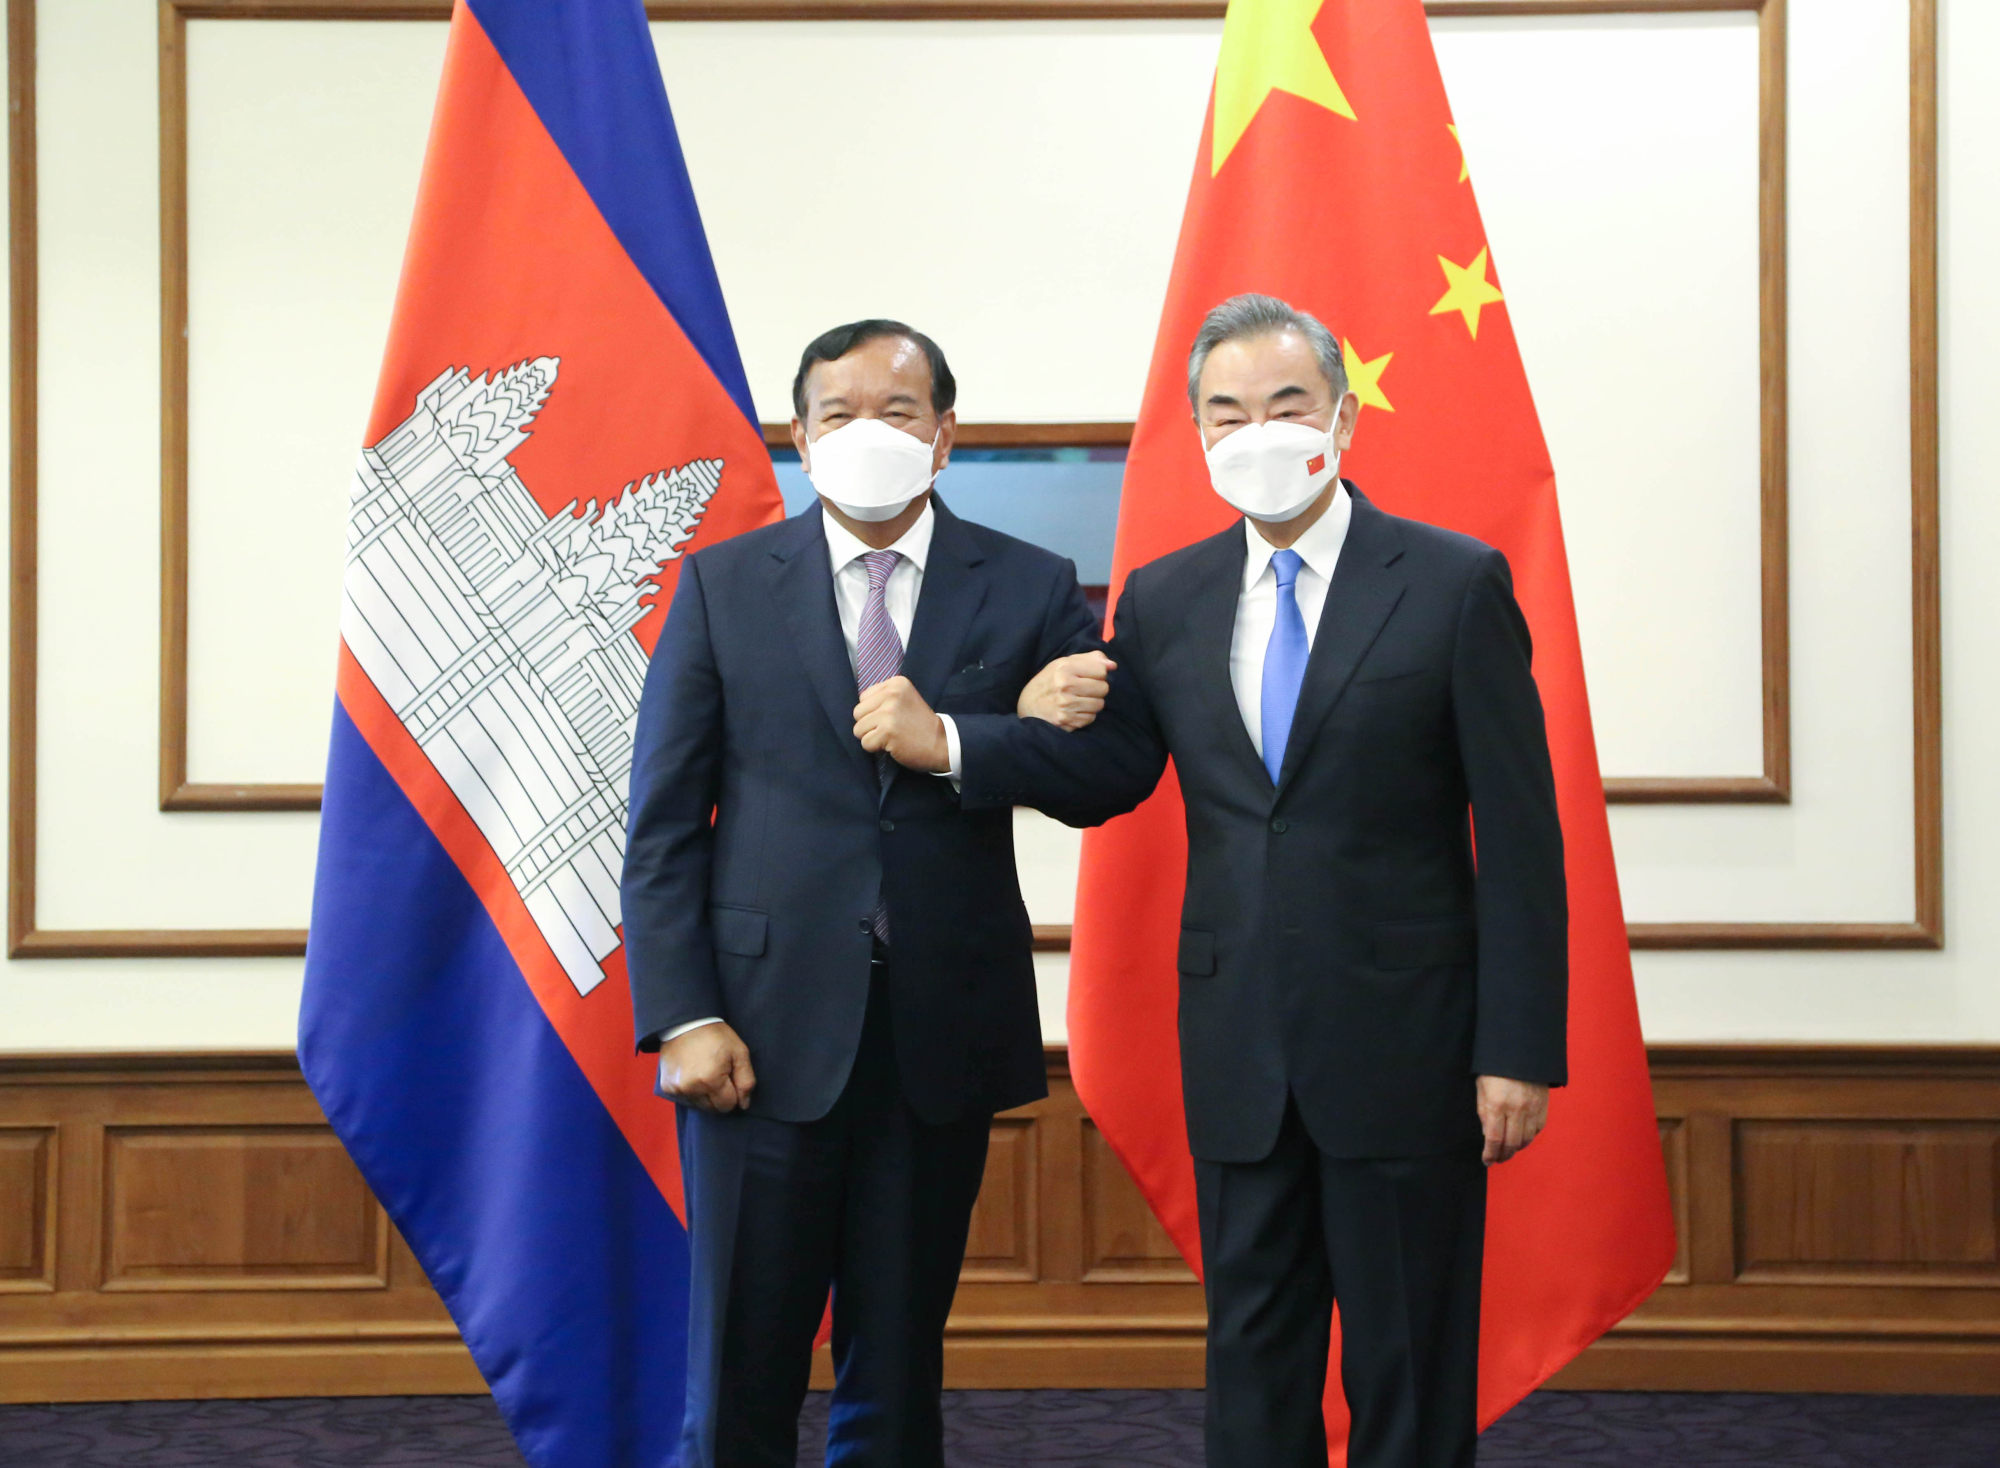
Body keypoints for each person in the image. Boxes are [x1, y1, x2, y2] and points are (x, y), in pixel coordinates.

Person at [864, 293, 1568, 1468]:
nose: (1256, 432)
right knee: (1253, 1355)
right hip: (1238, 1042)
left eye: (1284, 404)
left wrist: (1516, 1047)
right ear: (1195, 433)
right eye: (1224, 412)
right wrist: (958, 741)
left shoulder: (1451, 583)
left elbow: (1520, 833)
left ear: (1340, 417)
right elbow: (1106, 773)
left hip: (1409, 1043)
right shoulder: (1167, 595)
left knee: (1407, 1358)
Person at [620, 320, 1102, 1468]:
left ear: (945, 436)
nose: (866, 434)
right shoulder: (723, 585)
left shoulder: (1027, 584)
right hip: (756, 1038)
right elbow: (661, 825)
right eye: (838, 415)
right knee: (740, 1362)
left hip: (936, 1034)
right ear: (800, 437)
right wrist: (682, 1012)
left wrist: (958, 741)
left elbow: (1102, 775)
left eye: (897, 411)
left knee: (896, 1371)